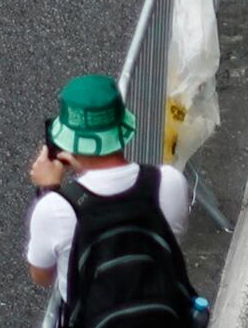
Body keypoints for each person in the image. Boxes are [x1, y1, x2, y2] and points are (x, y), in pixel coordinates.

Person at [20, 69, 198, 324]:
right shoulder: (169, 182)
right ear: (121, 128)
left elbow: (42, 276)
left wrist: (48, 190)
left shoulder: (55, 209)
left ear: (66, 144)